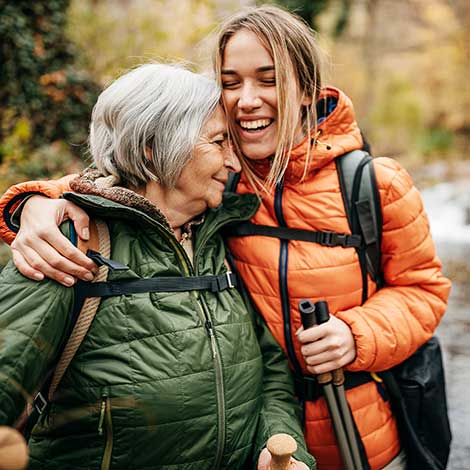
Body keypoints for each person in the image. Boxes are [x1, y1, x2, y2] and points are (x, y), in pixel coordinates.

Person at [0, 5, 451, 470]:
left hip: (355, 433)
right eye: (231, 83)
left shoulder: (373, 184)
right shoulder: (216, 185)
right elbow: (129, 175)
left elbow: (424, 290)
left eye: (268, 79)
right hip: (247, 438)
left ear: (307, 88)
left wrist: (357, 334)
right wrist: (35, 202)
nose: (247, 100)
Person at [0, 63, 314, 470]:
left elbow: (270, 376)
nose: (233, 162)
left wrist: (279, 450)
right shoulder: (68, 245)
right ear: (154, 147)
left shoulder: (220, 240)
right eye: (218, 142)